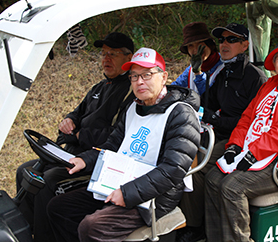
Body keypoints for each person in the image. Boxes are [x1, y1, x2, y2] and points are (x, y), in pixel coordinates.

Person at [46, 47, 201, 242]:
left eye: (147, 75)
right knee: (59, 208)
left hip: (155, 196)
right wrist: (84, 160)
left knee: (92, 227)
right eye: (134, 77)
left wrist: (127, 194)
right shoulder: (134, 108)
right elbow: (112, 145)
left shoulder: (181, 114)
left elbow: (173, 169)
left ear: (164, 77)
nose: (140, 82)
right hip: (120, 180)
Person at [16, 32, 135, 242]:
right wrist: (68, 121)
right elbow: (77, 113)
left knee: (48, 180)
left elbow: (116, 137)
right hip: (70, 153)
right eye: (104, 54)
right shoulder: (99, 87)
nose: (106, 59)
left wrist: (79, 135)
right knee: (24, 170)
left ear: (128, 58)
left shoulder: (130, 92)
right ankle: (26, 231)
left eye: (113, 54)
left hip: (94, 161)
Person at [205, 39, 278, 241]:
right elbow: (248, 119)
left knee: (232, 187)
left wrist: (253, 154)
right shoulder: (270, 85)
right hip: (257, 151)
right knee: (212, 179)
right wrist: (234, 146)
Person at [176, 23, 267, 242]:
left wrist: (215, 118)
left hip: (240, 139)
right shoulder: (224, 73)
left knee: (197, 168)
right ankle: (193, 223)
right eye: (222, 40)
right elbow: (208, 103)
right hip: (221, 132)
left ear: (245, 45)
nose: (224, 44)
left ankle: (196, 227)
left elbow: (254, 121)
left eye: (231, 40)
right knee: (182, 155)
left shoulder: (255, 77)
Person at [171, 22, 223, 95]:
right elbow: (174, 88)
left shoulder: (225, 67)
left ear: (209, 45)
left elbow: (211, 99)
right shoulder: (190, 70)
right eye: (191, 45)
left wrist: (198, 74)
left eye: (200, 44)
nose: (196, 50)